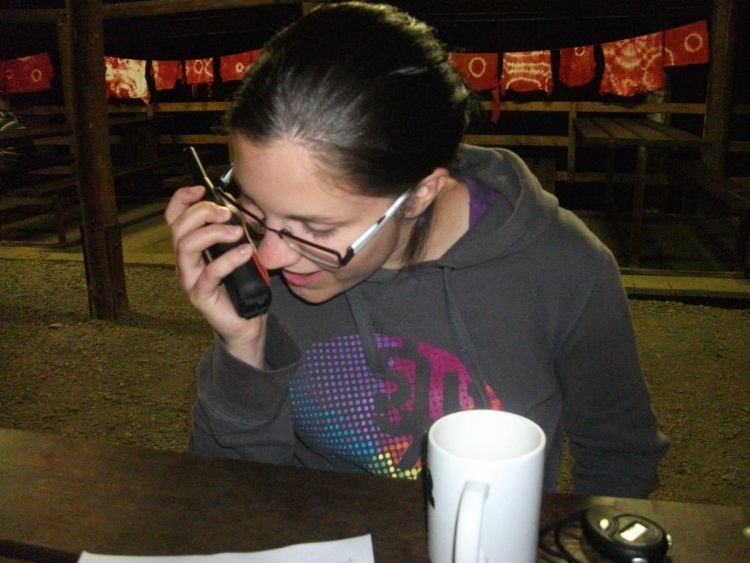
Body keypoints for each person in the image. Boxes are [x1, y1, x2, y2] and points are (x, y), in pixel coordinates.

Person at [166, 1, 668, 498]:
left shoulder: (565, 267)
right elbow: (228, 491)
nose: (270, 257)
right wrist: (242, 348)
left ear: (422, 192)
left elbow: (620, 458)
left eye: (315, 228)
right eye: (253, 207)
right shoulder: (264, 260)